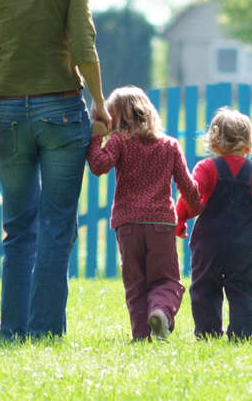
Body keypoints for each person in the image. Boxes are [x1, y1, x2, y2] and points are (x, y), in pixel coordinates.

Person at [0, 0, 110, 341]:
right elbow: (84, 45)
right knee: (57, 224)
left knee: (18, 228)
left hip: (8, 115)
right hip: (62, 112)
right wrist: (99, 102)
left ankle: (13, 330)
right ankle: (45, 330)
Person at [85, 86, 202, 341]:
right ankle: (160, 311)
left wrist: (96, 136)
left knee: (135, 284)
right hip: (160, 222)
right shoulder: (169, 145)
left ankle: (141, 337)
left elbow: (98, 165)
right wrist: (194, 209)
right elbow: (187, 186)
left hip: (127, 224)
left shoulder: (119, 141)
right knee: (167, 280)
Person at [176, 107, 252, 341]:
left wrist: (180, 220)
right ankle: (243, 333)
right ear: (248, 144)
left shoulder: (206, 168)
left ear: (213, 143)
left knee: (205, 288)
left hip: (208, 245)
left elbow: (190, 194)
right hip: (244, 247)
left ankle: (207, 333)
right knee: (245, 288)